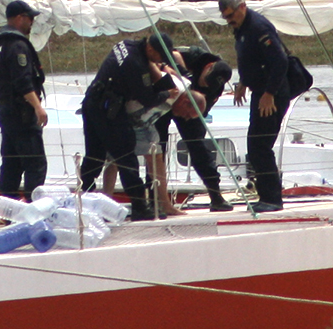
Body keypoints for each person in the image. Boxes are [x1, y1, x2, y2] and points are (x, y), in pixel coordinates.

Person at [79, 33, 178, 221]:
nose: (160, 62)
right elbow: (147, 98)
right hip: (108, 109)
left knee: (94, 156)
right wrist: (167, 93)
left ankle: (84, 199)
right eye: (160, 58)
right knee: (126, 155)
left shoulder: (126, 44)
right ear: (150, 49)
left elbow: (147, 65)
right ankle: (140, 206)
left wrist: (162, 67)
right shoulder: (136, 65)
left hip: (92, 103)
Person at [219, 0, 289, 213]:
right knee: (256, 144)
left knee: (260, 145)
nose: (229, 21)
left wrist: (269, 93)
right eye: (226, 18)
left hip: (272, 94)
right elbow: (251, 60)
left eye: (231, 15)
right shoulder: (241, 29)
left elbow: (280, 61)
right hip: (259, 91)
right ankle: (267, 195)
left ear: (242, 7)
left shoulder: (259, 27)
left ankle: (272, 199)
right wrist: (243, 82)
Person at [154, 47, 235, 211]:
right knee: (157, 147)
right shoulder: (194, 56)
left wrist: (190, 116)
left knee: (198, 146)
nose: (205, 85)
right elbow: (167, 55)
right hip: (167, 97)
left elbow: (200, 112)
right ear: (208, 67)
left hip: (190, 107)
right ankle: (154, 197)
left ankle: (215, 194)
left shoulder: (215, 86)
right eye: (205, 81)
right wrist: (179, 69)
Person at [0, 0, 48, 201]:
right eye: (29, 18)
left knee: (11, 163)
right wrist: (38, 108)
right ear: (19, 18)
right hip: (21, 114)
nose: (32, 22)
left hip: (5, 111)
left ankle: (8, 207)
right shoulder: (17, 46)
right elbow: (23, 82)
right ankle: (33, 208)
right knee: (35, 163)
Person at [129, 73, 206, 217]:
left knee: (157, 156)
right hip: (126, 115)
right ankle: (106, 199)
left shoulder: (183, 89)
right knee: (114, 158)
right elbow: (157, 73)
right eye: (188, 114)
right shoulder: (173, 88)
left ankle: (165, 204)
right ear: (184, 102)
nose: (185, 118)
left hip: (143, 122)